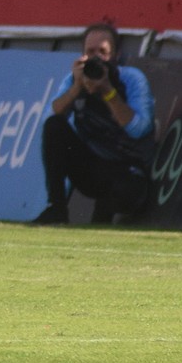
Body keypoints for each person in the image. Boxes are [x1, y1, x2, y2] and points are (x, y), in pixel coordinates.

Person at [32, 23, 156, 225]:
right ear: (82, 55)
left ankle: (105, 216)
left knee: (125, 191)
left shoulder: (131, 79)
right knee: (55, 126)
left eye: (103, 52)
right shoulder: (75, 80)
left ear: (116, 54)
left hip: (127, 169)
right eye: (91, 52)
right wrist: (76, 89)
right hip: (92, 168)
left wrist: (108, 92)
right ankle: (56, 208)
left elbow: (139, 129)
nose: (97, 58)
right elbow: (49, 119)